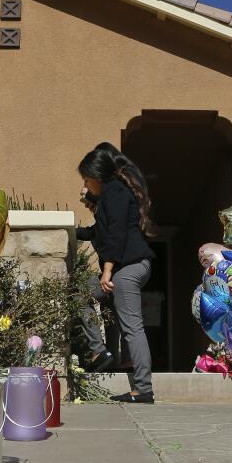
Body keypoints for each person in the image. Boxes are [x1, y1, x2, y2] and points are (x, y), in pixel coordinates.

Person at [75, 142, 156, 404]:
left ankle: (143, 389)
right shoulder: (108, 197)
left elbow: (117, 234)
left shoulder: (116, 192)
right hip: (125, 267)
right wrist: (70, 231)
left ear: (97, 176)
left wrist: (107, 270)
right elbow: (97, 232)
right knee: (81, 292)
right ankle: (100, 353)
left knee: (132, 326)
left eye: (86, 179)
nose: (85, 185)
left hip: (129, 268)